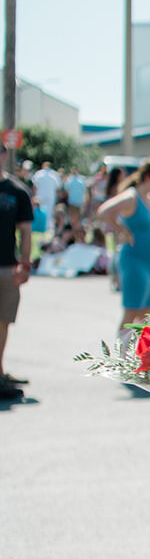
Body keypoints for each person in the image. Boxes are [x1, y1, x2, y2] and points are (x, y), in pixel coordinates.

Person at [96, 158, 150, 333]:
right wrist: (122, 229)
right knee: (131, 312)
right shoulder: (131, 197)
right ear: (147, 178)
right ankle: (120, 354)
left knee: (147, 313)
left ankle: (136, 355)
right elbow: (103, 212)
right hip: (134, 261)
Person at [0, 146, 34, 400]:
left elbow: (25, 231)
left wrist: (25, 262)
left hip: (6, 266)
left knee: (3, 321)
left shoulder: (16, 191)